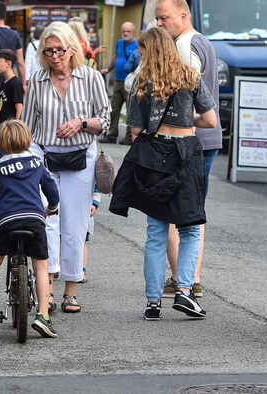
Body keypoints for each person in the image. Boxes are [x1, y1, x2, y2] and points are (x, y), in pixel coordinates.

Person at [111, 27, 218, 321]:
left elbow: (135, 130)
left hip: (155, 156)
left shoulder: (141, 82)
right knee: (190, 227)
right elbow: (209, 120)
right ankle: (184, 291)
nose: (140, 56)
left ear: (149, 51)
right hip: (185, 152)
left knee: (156, 232)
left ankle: (153, 301)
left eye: (142, 51)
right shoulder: (190, 77)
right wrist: (188, 118)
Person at [22, 21, 110, 314]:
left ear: (72, 50)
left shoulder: (91, 78)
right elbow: (29, 125)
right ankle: (45, 289)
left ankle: (71, 290)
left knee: (74, 224)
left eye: (60, 50)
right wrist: (23, 157)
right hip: (45, 155)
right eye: (49, 51)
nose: (55, 56)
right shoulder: (37, 80)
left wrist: (81, 123)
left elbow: (104, 120)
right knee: (46, 221)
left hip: (80, 158)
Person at [154, 0, 222, 299]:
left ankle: (182, 278)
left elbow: (186, 96)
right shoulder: (204, 41)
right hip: (207, 140)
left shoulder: (182, 47)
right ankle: (191, 277)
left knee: (171, 211)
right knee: (195, 211)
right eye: (157, 18)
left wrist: (175, 125)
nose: (159, 23)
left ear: (183, 16)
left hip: (187, 140)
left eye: (163, 18)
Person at [0, 119, 60, 338]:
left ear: (0, 143)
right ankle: (43, 315)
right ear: (28, 139)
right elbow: (52, 190)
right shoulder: (36, 163)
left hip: (6, 221)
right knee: (41, 267)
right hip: (33, 220)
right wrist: (52, 207)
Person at [105, 21, 138, 144]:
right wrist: (108, 69)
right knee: (113, 109)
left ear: (133, 33)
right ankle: (112, 135)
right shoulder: (119, 43)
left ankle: (129, 138)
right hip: (118, 81)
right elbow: (115, 58)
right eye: (123, 31)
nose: (125, 33)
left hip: (130, 83)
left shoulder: (137, 45)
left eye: (128, 31)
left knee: (130, 111)